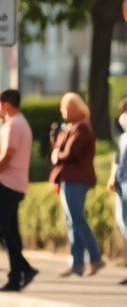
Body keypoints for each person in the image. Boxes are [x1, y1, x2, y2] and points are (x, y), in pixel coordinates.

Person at [0, 89, 35, 291]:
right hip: (15, 183)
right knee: (10, 230)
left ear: (5, 104)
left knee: (1, 229)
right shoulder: (18, 123)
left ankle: (22, 269)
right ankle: (17, 274)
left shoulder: (14, 125)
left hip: (10, 184)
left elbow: (6, 157)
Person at [49, 92, 103, 277]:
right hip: (68, 178)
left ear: (75, 108)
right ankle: (77, 262)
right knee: (72, 221)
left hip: (76, 179)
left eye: (65, 108)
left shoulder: (82, 128)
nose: (62, 112)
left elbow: (69, 153)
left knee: (77, 219)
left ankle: (95, 257)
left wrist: (56, 154)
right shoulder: (71, 127)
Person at [108, 96, 127, 285]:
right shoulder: (122, 137)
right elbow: (118, 157)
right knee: (122, 221)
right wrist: (113, 176)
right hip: (122, 182)